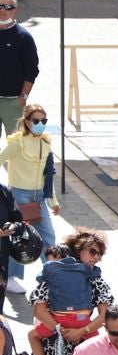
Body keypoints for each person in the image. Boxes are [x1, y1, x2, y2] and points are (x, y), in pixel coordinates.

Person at [29, 230, 113, 355]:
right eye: (93, 251)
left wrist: (68, 330)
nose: (96, 257)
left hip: (67, 340)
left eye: (100, 253)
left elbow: (106, 315)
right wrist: (73, 330)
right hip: (60, 344)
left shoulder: (91, 278)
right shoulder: (93, 279)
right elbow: (39, 309)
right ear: (77, 250)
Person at [0, 102, 54, 293]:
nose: (40, 124)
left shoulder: (45, 142)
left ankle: (51, 274)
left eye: (44, 120)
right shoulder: (18, 142)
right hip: (19, 196)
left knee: (49, 237)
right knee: (19, 238)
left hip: (38, 197)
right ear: (27, 121)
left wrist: (52, 200)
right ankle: (12, 277)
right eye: (36, 120)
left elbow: (49, 173)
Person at [0, 0, 37, 143]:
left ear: (14, 10)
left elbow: (32, 70)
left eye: (7, 7)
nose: (2, 10)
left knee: (15, 145)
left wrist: (23, 97)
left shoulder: (23, 37)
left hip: (12, 101)